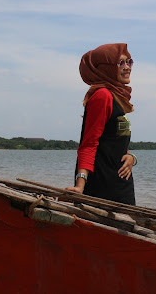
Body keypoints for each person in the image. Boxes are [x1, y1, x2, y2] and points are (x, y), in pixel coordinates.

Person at [65, 43, 137, 205]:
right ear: (106, 67)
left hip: (120, 183)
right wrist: (80, 185)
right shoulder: (102, 96)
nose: (127, 67)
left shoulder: (117, 96)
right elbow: (89, 143)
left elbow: (112, 140)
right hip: (104, 186)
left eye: (129, 62)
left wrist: (131, 157)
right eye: (121, 63)